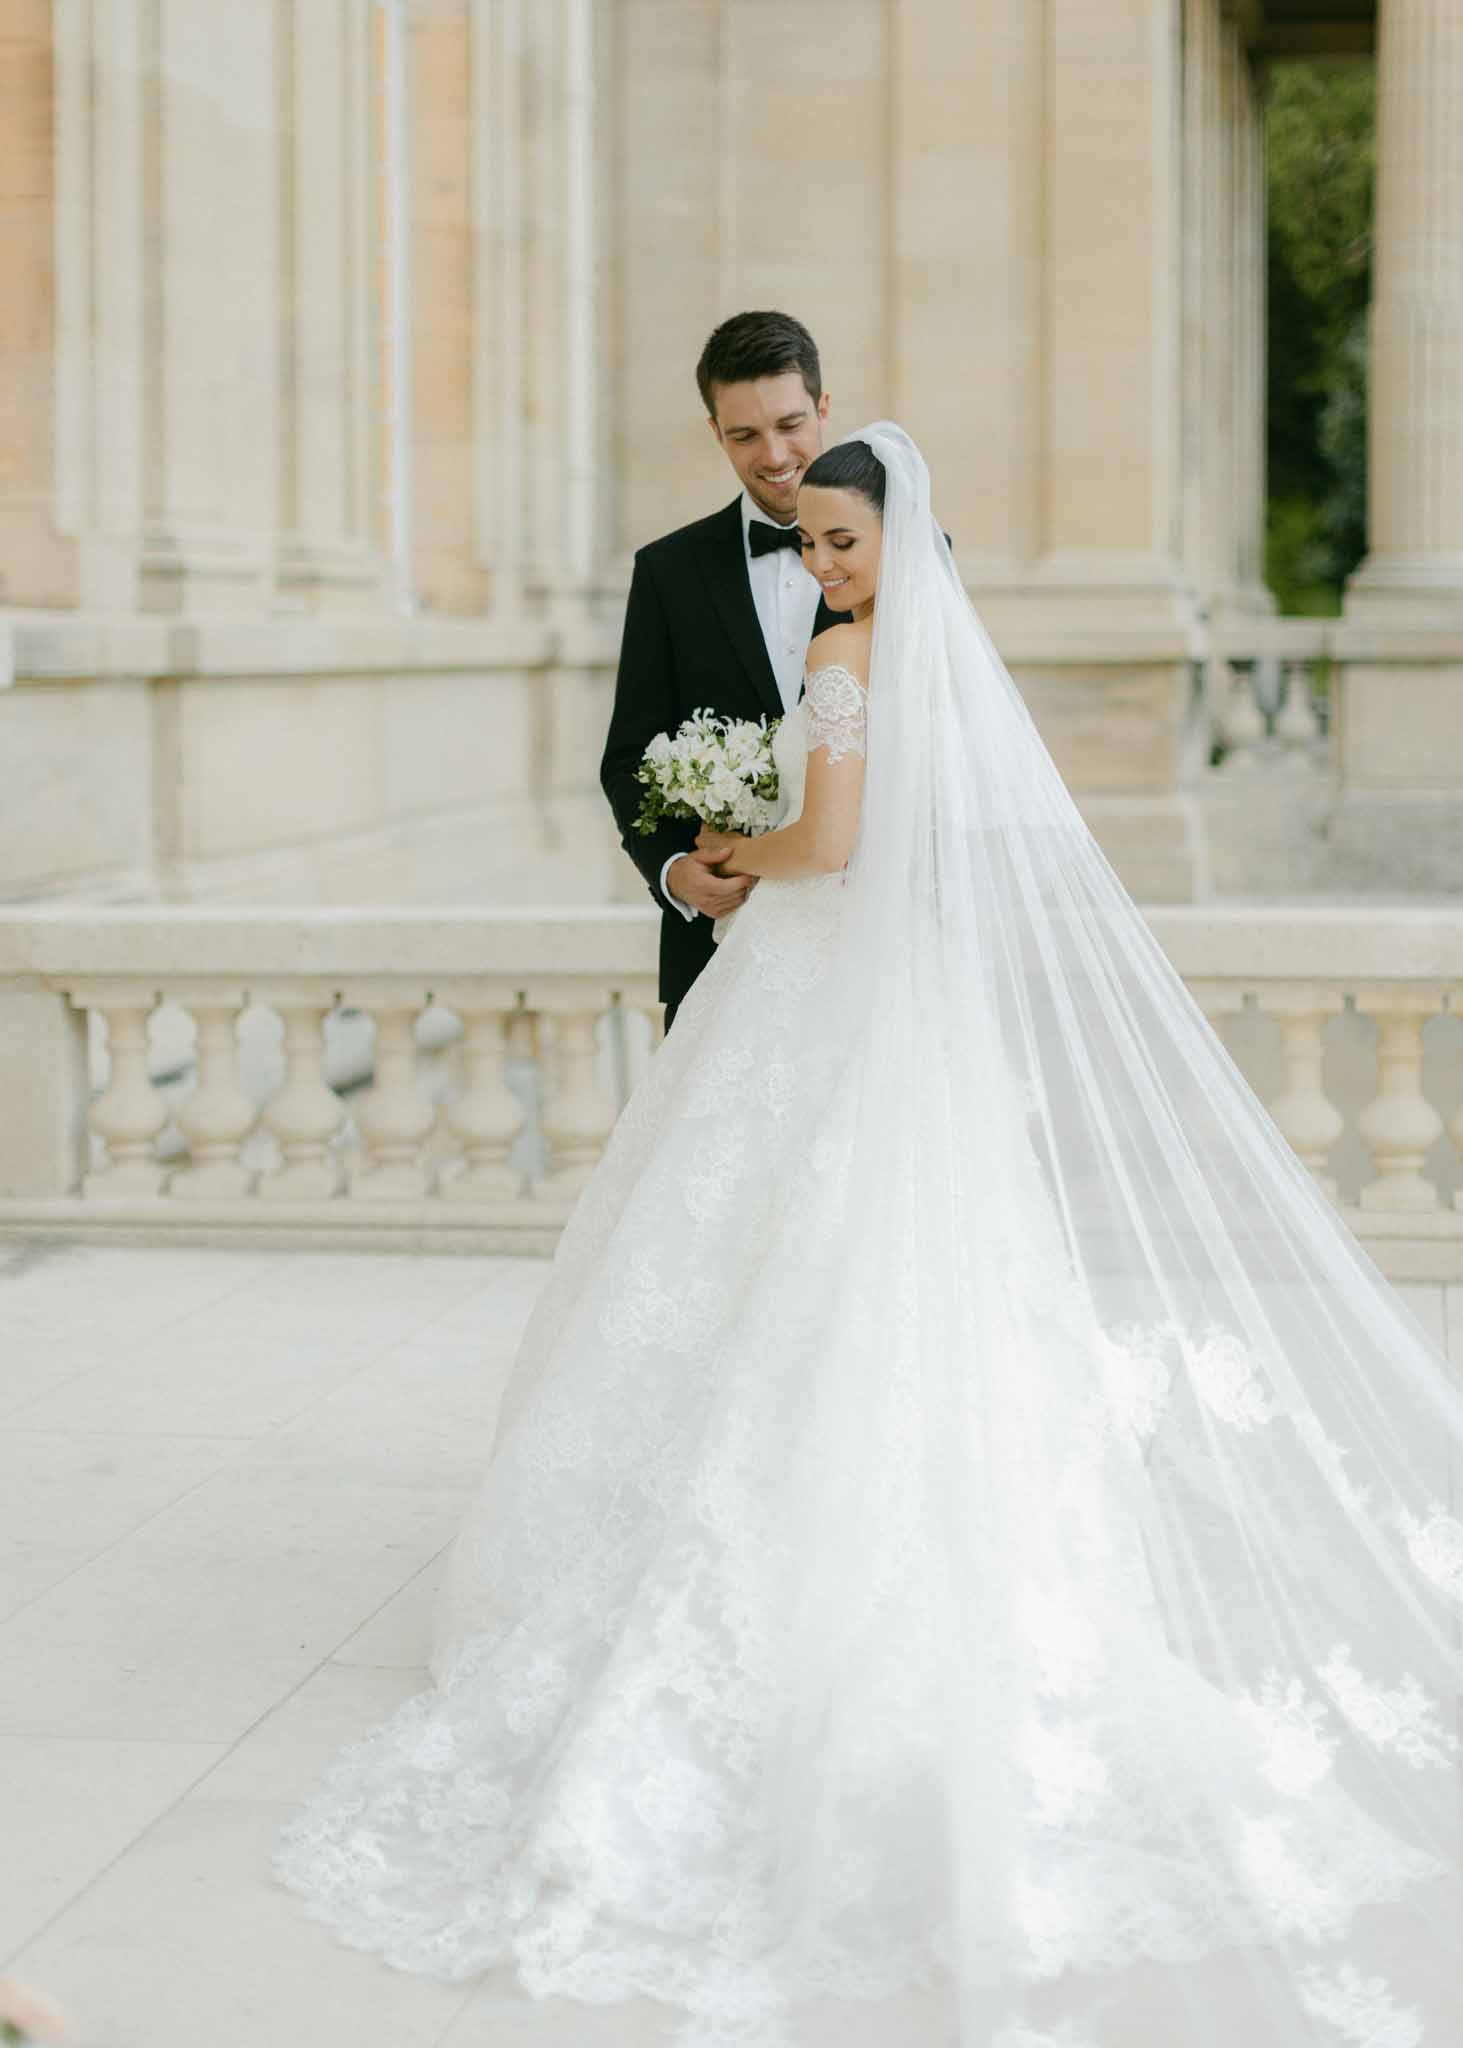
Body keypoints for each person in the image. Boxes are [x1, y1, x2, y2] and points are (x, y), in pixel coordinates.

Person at [276, 426, 1463, 2048]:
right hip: (889, 1011)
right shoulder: (930, 650)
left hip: (814, 990)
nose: (826, 566)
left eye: (842, 538)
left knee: (786, 1275)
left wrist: (721, 860)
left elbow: (828, 846)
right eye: (815, 542)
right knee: (822, 1280)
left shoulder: (847, 649)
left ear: (890, 533)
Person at [600, 309, 851, 1031]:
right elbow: (627, 755)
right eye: (743, 434)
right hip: (715, 952)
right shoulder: (667, 572)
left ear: (823, 408)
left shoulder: (910, 556)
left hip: (865, 945)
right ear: (715, 431)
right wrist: (675, 872)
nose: (773, 454)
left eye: (790, 423)